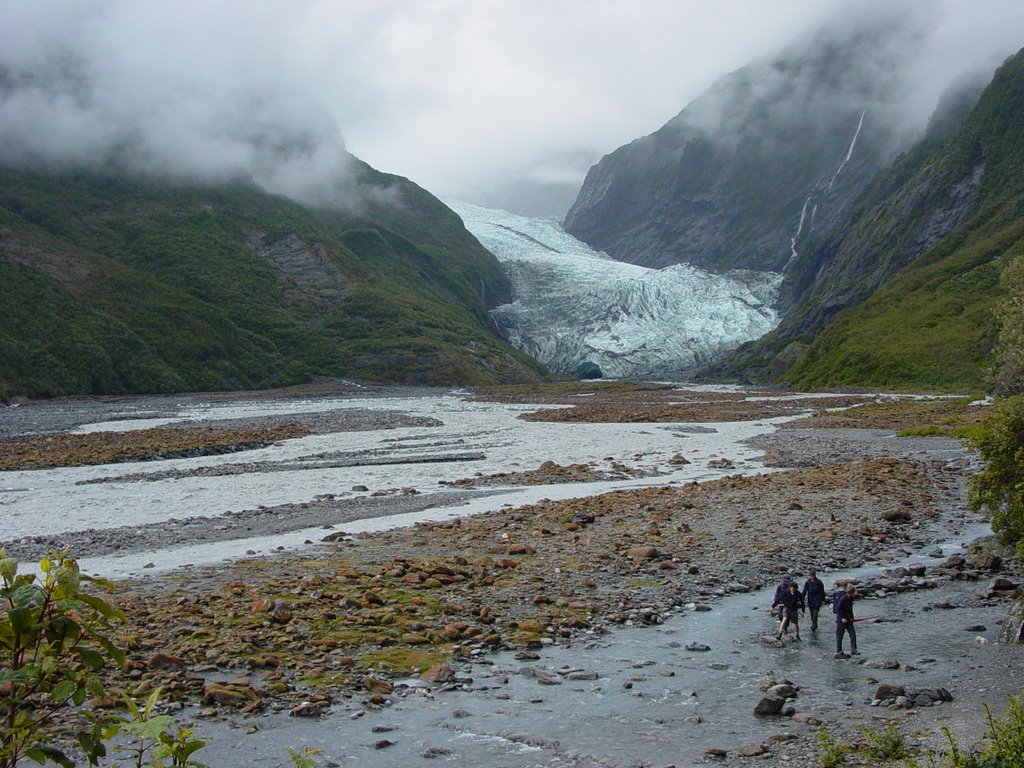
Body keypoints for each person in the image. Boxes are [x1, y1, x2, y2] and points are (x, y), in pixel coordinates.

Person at [834, 584, 859, 658]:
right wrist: (842, 618)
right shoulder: (843, 598)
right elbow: (838, 609)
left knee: (853, 634)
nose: (853, 594)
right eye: (853, 592)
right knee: (840, 636)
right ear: (850, 592)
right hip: (841, 620)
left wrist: (852, 618)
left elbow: (850, 609)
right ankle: (839, 650)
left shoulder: (850, 598)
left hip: (848, 619)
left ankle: (853, 650)